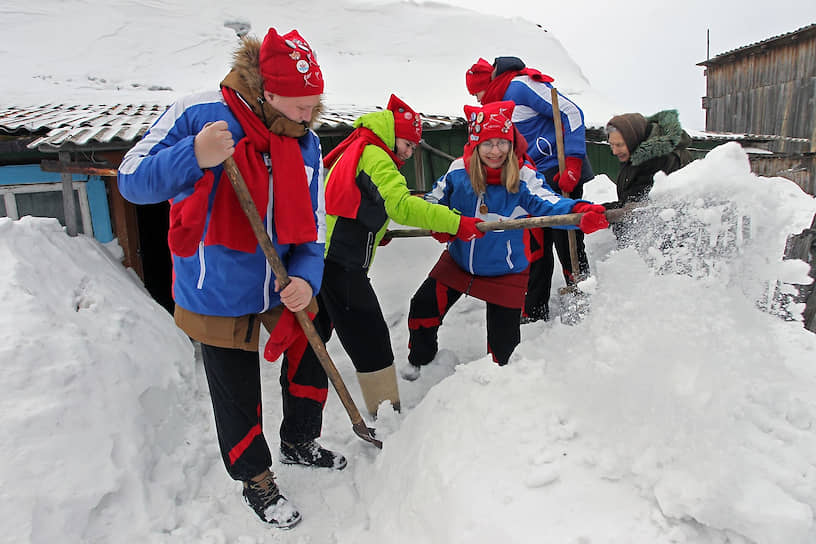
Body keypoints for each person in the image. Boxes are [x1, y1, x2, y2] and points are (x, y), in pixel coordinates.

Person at [117, 28, 343, 529]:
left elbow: (315, 219)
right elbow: (132, 179)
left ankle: (299, 441)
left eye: (315, 105)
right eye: (302, 106)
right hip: (214, 285)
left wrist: (307, 275)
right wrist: (192, 155)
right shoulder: (199, 113)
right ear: (267, 89)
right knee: (236, 388)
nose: (311, 117)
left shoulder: (305, 141)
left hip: (282, 279)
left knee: (312, 343)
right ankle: (255, 478)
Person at [405, 101, 608, 377]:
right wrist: (438, 222)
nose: (496, 151)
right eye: (488, 143)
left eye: (502, 142)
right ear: (476, 145)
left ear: (512, 143)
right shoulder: (458, 172)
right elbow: (432, 201)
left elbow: (547, 201)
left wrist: (577, 210)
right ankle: (421, 366)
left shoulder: (523, 174)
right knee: (422, 307)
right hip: (459, 260)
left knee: (503, 354)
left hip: (506, 269)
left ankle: (498, 394)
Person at [313, 94, 485, 416]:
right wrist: (457, 222)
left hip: (326, 258)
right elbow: (401, 205)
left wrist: (375, 234)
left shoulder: (360, 147)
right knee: (371, 339)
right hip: (341, 264)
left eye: (414, 147)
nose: (409, 152)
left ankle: (299, 430)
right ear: (392, 134)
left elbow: (351, 202)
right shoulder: (376, 155)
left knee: (312, 340)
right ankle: (385, 416)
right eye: (407, 143)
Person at [466, 56, 595, 323]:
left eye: (476, 92)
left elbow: (571, 112)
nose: (477, 99)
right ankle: (534, 311)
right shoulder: (494, 109)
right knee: (535, 245)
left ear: (485, 84)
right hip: (531, 179)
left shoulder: (520, 86)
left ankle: (582, 298)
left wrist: (572, 161)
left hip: (559, 170)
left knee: (566, 236)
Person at [604, 110, 692, 241]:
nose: (615, 151)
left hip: (667, 239)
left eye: (619, 145)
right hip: (648, 237)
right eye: (611, 145)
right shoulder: (634, 152)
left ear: (632, 138)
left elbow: (638, 206)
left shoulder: (658, 158)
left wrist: (599, 212)